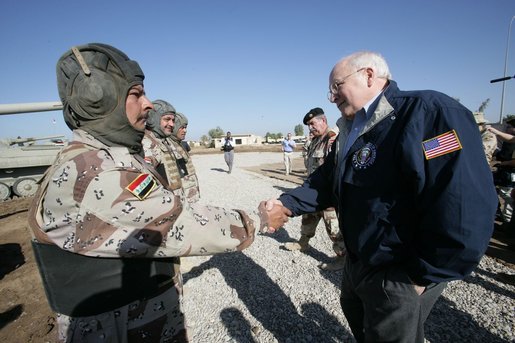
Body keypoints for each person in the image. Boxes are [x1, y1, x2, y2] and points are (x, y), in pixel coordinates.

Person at [28, 43, 272, 342]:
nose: (148, 104)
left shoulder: (100, 157)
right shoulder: (96, 172)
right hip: (123, 329)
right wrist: (259, 219)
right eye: (136, 94)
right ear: (99, 98)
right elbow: (180, 223)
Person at [262, 51, 496, 342]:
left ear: (369, 75)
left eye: (337, 86)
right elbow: (327, 180)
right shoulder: (350, 127)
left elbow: (461, 203)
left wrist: (420, 276)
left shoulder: (428, 113)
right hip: (359, 261)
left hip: (399, 270)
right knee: (360, 323)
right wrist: (287, 203)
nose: (332, 97)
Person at [283, 107, 346, 271]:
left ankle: (343, 258)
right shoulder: (315, 141)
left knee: (334, 230)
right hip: (312, 192)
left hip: (327, 195)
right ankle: (303, 243)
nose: (310, 128)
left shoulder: (332, 140)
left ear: (323, 121)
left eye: (313, 123)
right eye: (308, 125)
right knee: (307, 220)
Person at [143, 105, 200, 203]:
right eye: (167, 119)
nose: (172, 124)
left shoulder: (165, 142)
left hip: (180, 201)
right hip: (168, 205)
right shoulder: (147, 143)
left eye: (173, 121)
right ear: (154, 119)